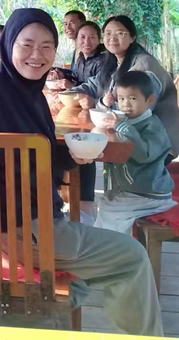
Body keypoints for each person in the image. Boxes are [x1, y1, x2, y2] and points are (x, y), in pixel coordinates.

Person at [0, 8, 163, 336]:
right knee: (133, 258)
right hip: (22, 231)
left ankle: (35, 313)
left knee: (97, 266)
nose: (37, 55)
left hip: (36, 221)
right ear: (8, 45)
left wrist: (72, 157)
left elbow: (30, 157)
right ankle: (27, 316)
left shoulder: (27, 92)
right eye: (27, 45)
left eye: (47, 46)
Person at [73, 15, 179, 158]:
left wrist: (97, 103)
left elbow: (134, 111)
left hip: (153, 147)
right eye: (108, 33)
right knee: (82, 151)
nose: (112, 38)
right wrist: (70, 93)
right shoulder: (113, 62)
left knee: (83, 151)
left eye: (120, 33)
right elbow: (93, 84)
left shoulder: (144, 66)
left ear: (132, 37)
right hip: (127, 137)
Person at [95, 71, 176, 234]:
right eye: (121, 99)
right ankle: (106, 241)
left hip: (149, 193)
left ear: (149, 100)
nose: (126, 104)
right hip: (132, 189)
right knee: (106, 203)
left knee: (112, 214)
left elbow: (144, 154)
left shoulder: (152, 126)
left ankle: (120, 246)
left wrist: (123, 128)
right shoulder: (128, 122)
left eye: (132, 99)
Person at [53, 20, 108, 221]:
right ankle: (70, 202)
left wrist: (69, 89)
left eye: (92, 37)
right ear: (76, 40)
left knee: (82, 147)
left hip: (97, 111)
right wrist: (65, 77)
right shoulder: (81, 57)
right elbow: (78, 78)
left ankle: (84, 207)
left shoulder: (103, 59)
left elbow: (96, 86)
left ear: (99, 40)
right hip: (82, 109)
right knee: (67, 145)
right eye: (83, 37)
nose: (87, 41)